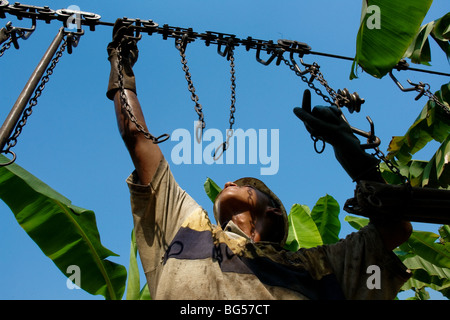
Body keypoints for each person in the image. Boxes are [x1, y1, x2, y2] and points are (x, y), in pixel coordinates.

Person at [106, 20, 412, 300]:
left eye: (246, 186)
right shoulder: (188, 228)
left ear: (274, 212)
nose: (228, 182)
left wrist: (350, 150)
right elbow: (138, 140)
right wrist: (121, 68)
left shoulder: (318, 265)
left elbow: (394, 227)